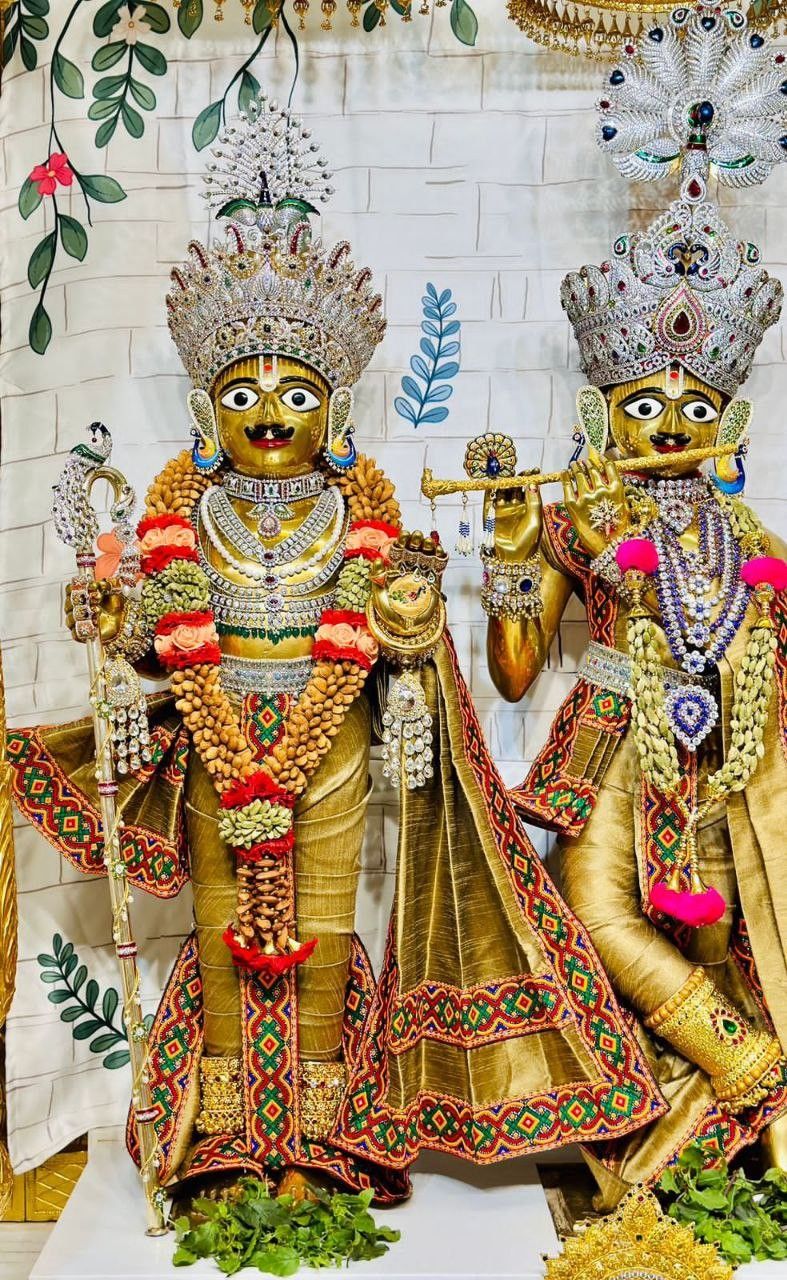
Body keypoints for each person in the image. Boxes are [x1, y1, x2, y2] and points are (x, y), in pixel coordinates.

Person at [9, 95, 661, 1212]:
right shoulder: (183, 516)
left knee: (313, 933)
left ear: (338, 404)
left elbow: (407, 642)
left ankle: (313, 1141)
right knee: (225, 941)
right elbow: (162, 645)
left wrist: (408, 622)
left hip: (334, 749)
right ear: (209, 405)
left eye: (299, 392)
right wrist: (112, 626)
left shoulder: (365, 517)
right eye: (245, 391)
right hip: (221, 757)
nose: (271, 411)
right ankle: (223, 1142)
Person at [483, 6, 787, 1207]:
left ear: (730, 420)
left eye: (692, 409)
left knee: (724, 935)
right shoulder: (579, 520)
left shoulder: (758, 544)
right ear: (607, 412)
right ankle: (745, 1066)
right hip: (615, 749)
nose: (667, 427)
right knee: (586, 909)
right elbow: (513, 671)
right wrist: (515, 553)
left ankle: (700, 1135)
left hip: (731, 764)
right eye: (642, 407)